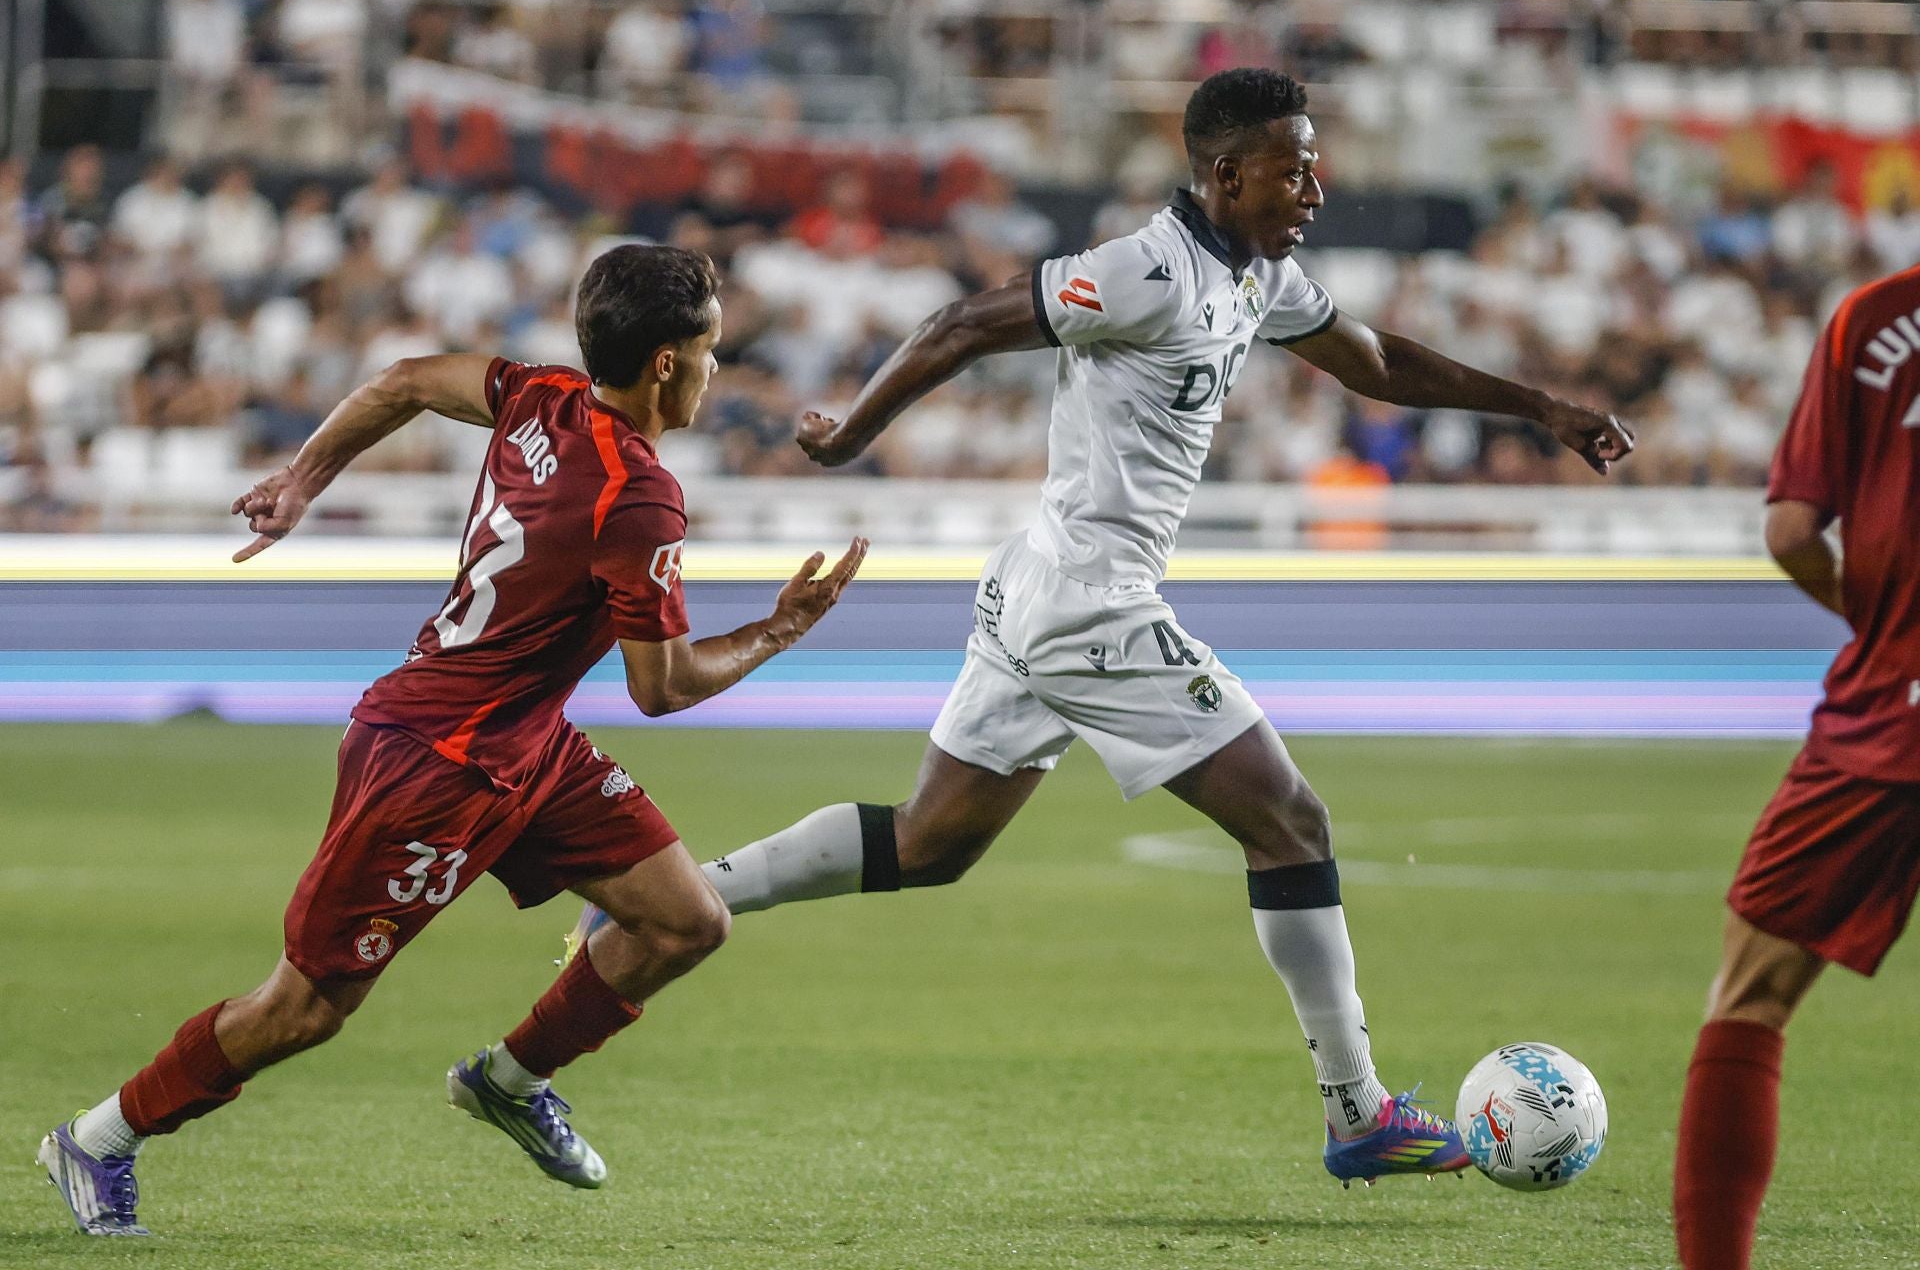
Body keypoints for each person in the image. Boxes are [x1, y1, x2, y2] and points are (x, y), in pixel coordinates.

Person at [570, 69, 1635, 1186]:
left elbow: (1373, 360)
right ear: (1228, 175)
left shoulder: (1258, 275)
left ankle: (674, 900)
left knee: (931, 843)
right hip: (1093, 607)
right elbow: (965, 322)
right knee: (1292, 824)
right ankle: (1358, 1109)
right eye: (1293, 169)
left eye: (1315, 166)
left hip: (1043, 588)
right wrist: (851, 438)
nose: (1316, 188)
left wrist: (1539, 407)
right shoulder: (1143, 272)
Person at [38, 243, 867, 1237]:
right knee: (305, 1007)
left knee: (685, 920)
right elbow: (665, 684)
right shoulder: (639, 494)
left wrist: (304, 477)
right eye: (710, 349)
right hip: (436, 763)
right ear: (665, 363)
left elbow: (403, 381)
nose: (715, 367)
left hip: (525, 742)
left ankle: (509, 1080)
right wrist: (780, 628)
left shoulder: (542, 396)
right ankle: (99, 1136)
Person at [1672, 263, 1920, 1269]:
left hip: (1892, 710)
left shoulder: (1877, 319)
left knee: (1753, 987)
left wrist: (1887, 629)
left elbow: (1789, 531)